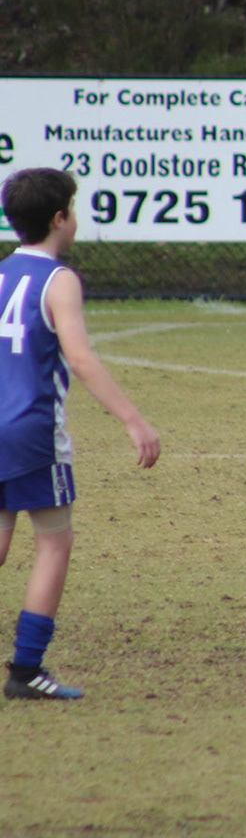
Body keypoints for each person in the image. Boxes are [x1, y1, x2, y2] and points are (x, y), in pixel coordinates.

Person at [0, 168, 161, 701]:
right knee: (54, 543)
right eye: (73, 208)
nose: (76, 218)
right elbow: (81, 359)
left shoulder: (1, 274)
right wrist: (133, 420)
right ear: (58, 218)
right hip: (32, 432)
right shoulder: (59, 279)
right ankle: (26, 671)